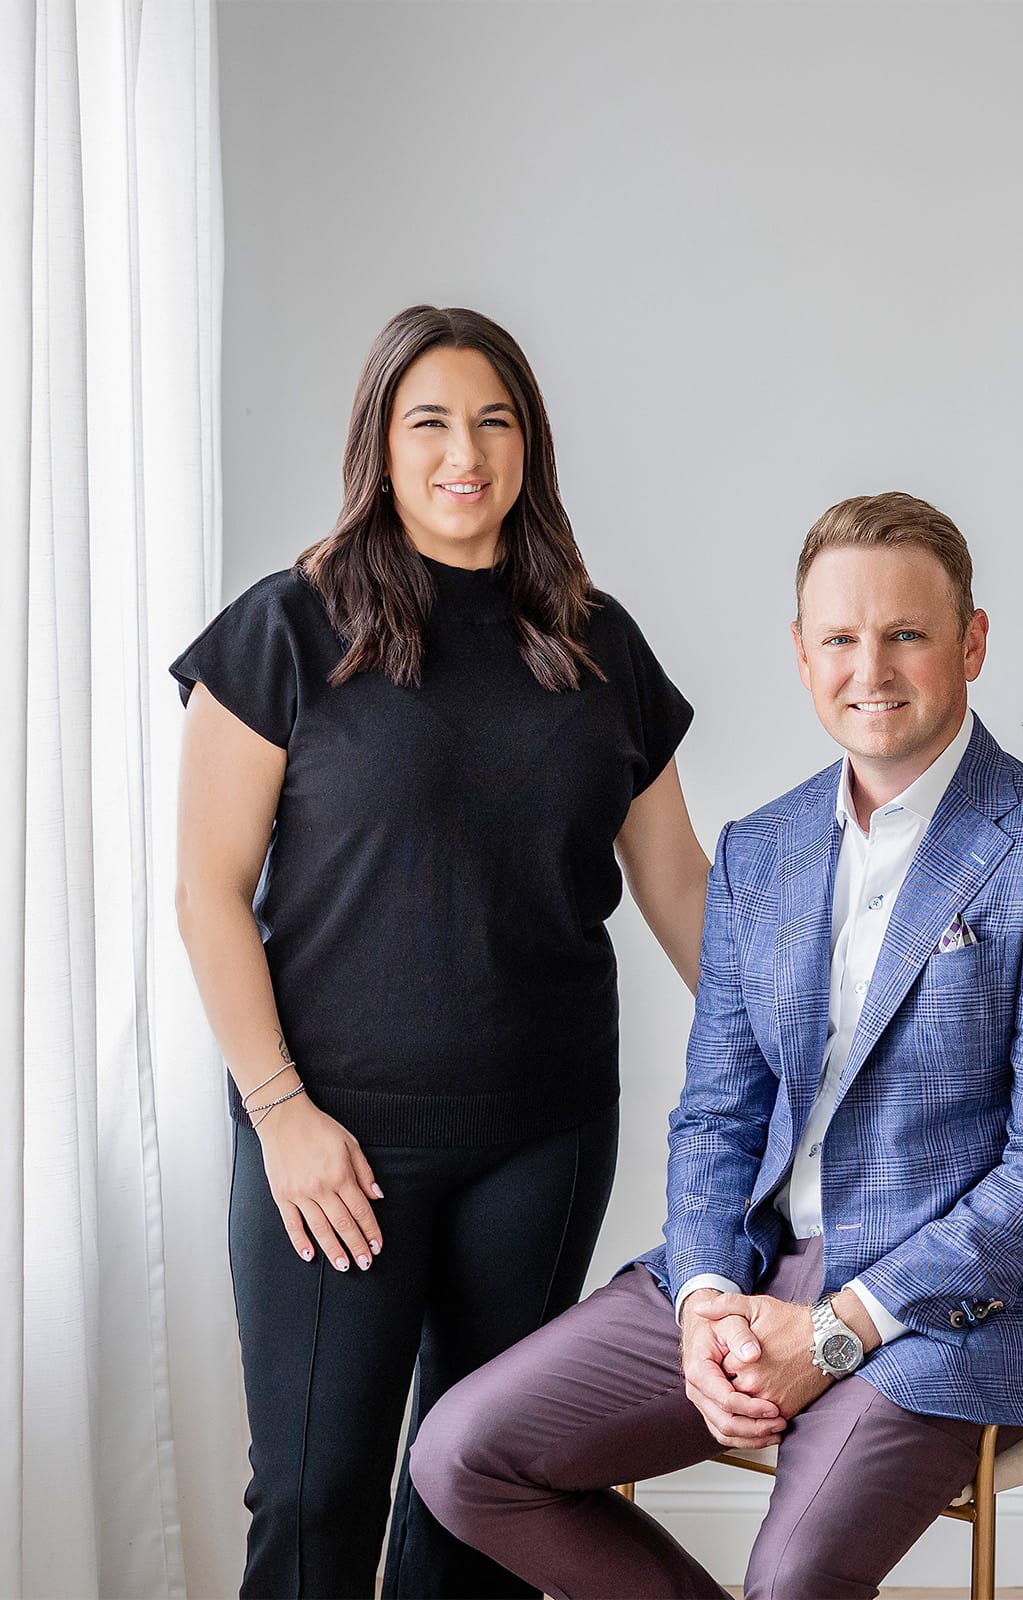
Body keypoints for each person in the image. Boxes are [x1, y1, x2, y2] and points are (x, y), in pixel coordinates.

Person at [408, 491, 1023, 1599]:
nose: (872, 668)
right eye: (840, 639)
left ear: (972, 644)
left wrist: (840, 1328)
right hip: (757, 1264)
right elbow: (719, 1111)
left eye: (907, 633)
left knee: (797, 1576)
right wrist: (707, 1294)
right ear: (802, 656)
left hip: (947, 1306)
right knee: (462, 1456)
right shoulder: (760, 852)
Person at [171, 305, 709, 1598]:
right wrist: (281, 1114)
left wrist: (816, 1064)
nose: (464, 453)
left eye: (493, 421)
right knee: (314, 1496)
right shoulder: (285, 629)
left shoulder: (599, 642)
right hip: (332, 1142)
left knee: (476, 1500)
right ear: (382, 442)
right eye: (431, 422)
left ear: (530, 445)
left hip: (543, 1138)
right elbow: (206, 892)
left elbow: (681, 884)